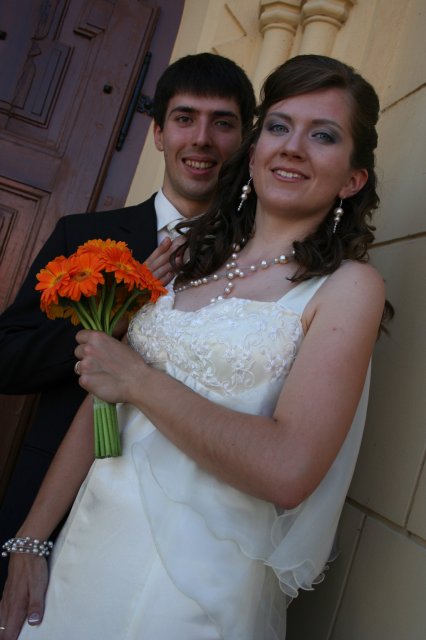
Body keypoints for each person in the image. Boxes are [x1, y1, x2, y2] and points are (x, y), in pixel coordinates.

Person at [0, 54, 392, 639]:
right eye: (279, 127)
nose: (292, 147)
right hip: (84, 552)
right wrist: (32, 540)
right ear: (254, 152)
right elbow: (102, 399)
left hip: (191, 587)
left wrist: (139, 381)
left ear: (354, 178)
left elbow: (288, 470)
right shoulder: (186, 259)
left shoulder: (348, 288)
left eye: (324, 135)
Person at [0, 52, 256, 590]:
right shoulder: (81, 234)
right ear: (159, 133)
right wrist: (116, 314)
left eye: (223, 123)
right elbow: (7, 359)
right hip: (52, 497)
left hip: (182, 521)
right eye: (184, 118)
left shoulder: (257, 262)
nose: (202, 139)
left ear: (244, 140)